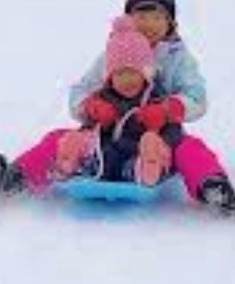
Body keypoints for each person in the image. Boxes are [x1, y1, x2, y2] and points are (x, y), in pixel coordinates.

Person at [0, 0, 235, 214]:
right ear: (129, 18)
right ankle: (14, 178)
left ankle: (212, 187)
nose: (148, 24)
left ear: (170, 21)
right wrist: (90, 106)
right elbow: (81, 89)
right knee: (56, 140)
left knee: (190, 149)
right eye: (141, 15)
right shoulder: (113, 52)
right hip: (105, 139)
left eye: (157, 17)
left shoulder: (177, 58)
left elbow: (197, 97)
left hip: (158, 139)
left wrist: (169, 109)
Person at [46, 16, 188, 187]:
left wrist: (163, 128)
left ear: (146, 74)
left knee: (151, 145)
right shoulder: (104, 98)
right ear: (109, 77)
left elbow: (175, 130)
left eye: (133, 72)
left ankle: (147, 168)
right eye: (120, 74)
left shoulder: (156, 99)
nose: (127, 80)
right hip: (109, 151)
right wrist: (92, 111)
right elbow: (90, 126)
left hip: (138, 153)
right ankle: (70, 162)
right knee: (84, 142)